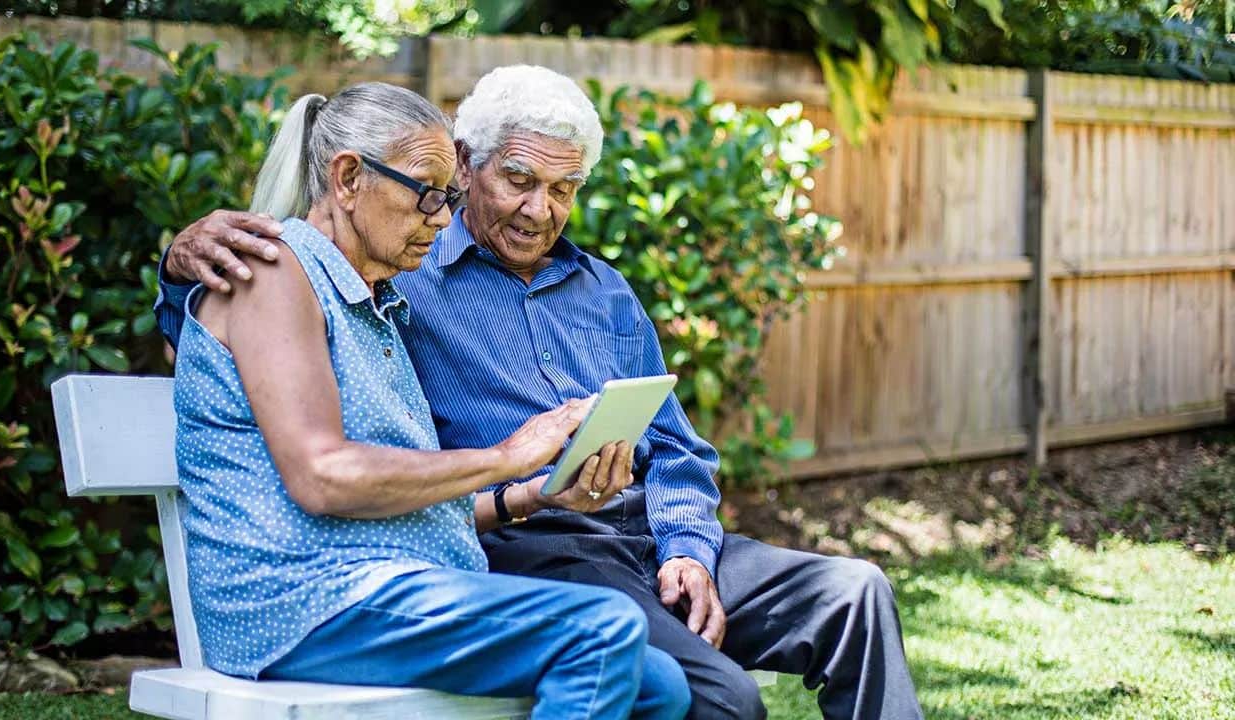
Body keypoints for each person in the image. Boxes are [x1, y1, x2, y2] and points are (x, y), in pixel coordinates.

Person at [159, 67, 924, 720]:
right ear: (468, 168)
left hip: (631, 537)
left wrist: (688, 547)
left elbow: (679, 446)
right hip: (529, 552)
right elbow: (238, 319)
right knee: (714, 696)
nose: (541, 209)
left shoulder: (601, 293)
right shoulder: (400, 269)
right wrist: (180, 266)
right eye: (519, 181)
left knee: (852, 591)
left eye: (564, 189)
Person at [169, 80, 691, 720]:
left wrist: (528, 494)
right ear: (350, 177)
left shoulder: (376, 303)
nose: (443, 218)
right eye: (426, 194)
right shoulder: (276, 270)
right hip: (302, 599)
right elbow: (324, 477)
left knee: (659, 683)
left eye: (447, 198)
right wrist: (510, 455)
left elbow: (399, 500)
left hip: (387, 581)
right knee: (603, 629)